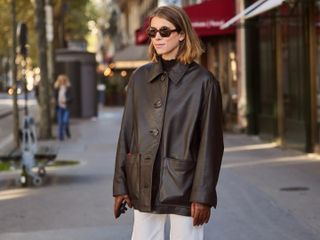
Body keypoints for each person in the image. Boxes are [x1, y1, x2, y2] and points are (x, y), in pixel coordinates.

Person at [113, 5, 224, 240]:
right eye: (153, 33)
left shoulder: (204, 82)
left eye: (164, 31)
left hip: (185, 186)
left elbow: (211, 145)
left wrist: (203, 194)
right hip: (143, 180)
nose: (157, 38)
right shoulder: (140, 78)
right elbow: (127, 134)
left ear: (182, 34)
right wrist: (121, 186)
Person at [54, 74, 72, 141]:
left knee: (65, 121)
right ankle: (61, 136)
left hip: (66, 107)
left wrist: (66, 100)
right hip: (59, 107)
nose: (61, 81)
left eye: (63, 80)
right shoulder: (57, 88)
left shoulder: (68, 88)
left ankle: (67, 130)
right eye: (60, 80)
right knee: (60, 122)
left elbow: (71, 97)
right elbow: (55, 97)